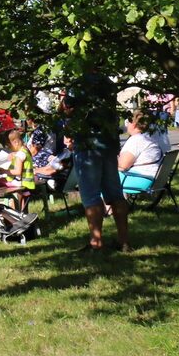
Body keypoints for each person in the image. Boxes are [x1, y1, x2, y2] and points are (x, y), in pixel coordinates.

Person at [65, 70, 131, 254]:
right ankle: (124, 241)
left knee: (90, 194)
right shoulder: (108, 83)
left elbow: (69, 111)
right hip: (109, 142)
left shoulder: (77, 84)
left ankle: (96, 243)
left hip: (87, 143)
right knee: (115, 193)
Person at [118, 110, 166, 194]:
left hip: (140, 179)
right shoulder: (149, 138)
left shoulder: (136, 140)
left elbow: (123, 166)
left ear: (133, 124)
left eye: (127, 122)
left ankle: (108, 206)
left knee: (102, 176)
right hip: (154, 178)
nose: (126, 125)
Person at [0, 128, 36, 211]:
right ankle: (23, 217)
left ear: (15, 142)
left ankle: (1, 209)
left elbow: (17, 171)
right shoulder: (26, 151)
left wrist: (3, 171)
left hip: (21, 183)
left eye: (9, 146)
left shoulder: (20, 155)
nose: (9, 149)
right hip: (28, 183)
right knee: (24, 207)